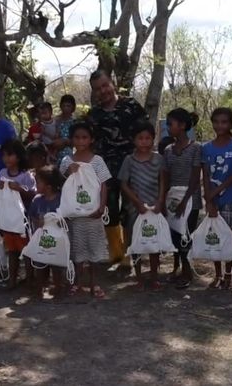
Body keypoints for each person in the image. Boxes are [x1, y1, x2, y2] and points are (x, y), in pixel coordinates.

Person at [88, 69, 149, 268]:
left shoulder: (131, 105)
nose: (103, 91)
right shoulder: (93, 115)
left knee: (131, 209)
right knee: (109, 210)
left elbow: (145, 132)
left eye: (105, 85)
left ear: (112, 83)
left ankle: (133, 251)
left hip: (133, 165)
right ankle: (117, 254)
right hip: (104, 169)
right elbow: (88, 143)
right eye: (97, 89)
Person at [59, 122, 112, 298]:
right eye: (77, 137)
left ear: (91, 139)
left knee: (95, 250)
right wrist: (68, 171)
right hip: (75, 217)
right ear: (71, 139)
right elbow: (62, 183)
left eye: (84, 137)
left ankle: (95, 283)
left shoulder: (98, 161)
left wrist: (102, 207)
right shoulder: (67, 160)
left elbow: (104, 184)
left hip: (93, 215)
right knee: (77, 250)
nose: (80, 141)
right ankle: (77, 283)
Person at [118, 121, 167, 291]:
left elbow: (162, 180)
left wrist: (160, 201)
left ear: (153, 139)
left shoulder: (159, 159)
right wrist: (137, 203)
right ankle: (138, 278)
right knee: (136, 244)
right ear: (134, 140)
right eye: (140, 138)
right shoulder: (129, 160)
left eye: (148, 138)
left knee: (154, 244)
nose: (144, 141)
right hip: (135, 210)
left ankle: (154, 277)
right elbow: (124, 184)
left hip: (155, 208)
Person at [201, 108, 232, 291]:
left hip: (231, 197)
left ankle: (228, 275)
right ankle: (217, 273)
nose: (220, 125)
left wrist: (216, 191)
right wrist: (209, 198)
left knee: (228, 238)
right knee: (215, 237)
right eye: (216, 121)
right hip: (213, 200)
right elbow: (205, 174)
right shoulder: (206, 148)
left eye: (224, 122)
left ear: (230, 124)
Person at [163, 108, 202, 289]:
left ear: (183, 126)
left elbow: (195, 177)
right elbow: (166, 176)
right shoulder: (168, 150)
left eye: (171, 124)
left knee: (186, 235)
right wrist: (165, 200)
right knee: (175, 235)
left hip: (190, 199)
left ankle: (188, 272)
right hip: (173, 199)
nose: (168, 127)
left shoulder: (196, 148)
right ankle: (176, 268)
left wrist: (185, 201)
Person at [0, 139, 37, 289]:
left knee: (26, 249)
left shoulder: (26, 175)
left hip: (23, 219)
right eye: (4, 155)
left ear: (19, 156)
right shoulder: (1, 173)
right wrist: (0, 187)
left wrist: (19, 188)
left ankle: (29, 278)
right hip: (7, 220)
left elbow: (33, 194)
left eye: (10, 155)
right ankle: (12, 279)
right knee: (12, 250)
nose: (6, 158)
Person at [28, 166, 65, 298]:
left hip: (57, 240)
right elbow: (32, 215)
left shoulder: (61, 200)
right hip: (41, 239)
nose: (36, 185)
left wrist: (59, 222)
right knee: (39, 263)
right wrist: (38, 223)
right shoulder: (37, 201)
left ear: (48, 187)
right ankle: (39, 288)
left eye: (38, 182)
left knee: (55, 264)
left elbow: (66, 218)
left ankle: (58, 287)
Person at [53, 94, 77, 165]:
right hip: (54, 154)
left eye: (68, 106)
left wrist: (65, 141)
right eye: (64, 105)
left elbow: (76, 141)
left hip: (69, 154)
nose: (66, 108)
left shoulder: (75, 122)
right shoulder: (55, 121)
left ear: (73, 107)